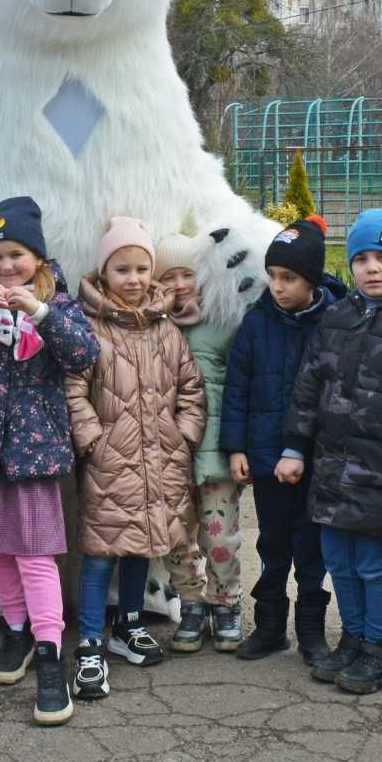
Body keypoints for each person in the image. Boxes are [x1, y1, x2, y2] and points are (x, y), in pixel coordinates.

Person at [0, 196, 101, 726]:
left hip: (33, 453)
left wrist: (37, 311)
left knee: (34, 555)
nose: (7, 266)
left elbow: (82, 354)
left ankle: (51, 654)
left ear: (37, 256)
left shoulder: (61, 304)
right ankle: (16, 632)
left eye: (17, 254)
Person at [280, 208, 382, 695]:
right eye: (362, 258)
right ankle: (353, 639)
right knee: (339, 559)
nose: (372, 268)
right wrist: (295, 446)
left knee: (375, 563)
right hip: (333, 466)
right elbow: (308, 386)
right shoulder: (337, 317)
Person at [66, 217, 207, 699]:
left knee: (141, 546)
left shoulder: (166, 329)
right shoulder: (88, 328)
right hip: (110, 460)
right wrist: (93, 441)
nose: (133, 279)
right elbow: (74, 390)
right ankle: (89, 640)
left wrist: (182, 436)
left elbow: (190, 388)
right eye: (121, 268)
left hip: (161, 457)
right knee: (102, 551)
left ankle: (128, 623)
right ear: (104, 273)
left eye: (141, 268)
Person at [220, 215, 346, 664]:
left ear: (311, 279)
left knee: (311, 547)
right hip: (267, 455)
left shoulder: (334, 323)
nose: (277, 286)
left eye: (288, 278)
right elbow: (237, 387)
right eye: (273, 276)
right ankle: (270, 625)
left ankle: (311, 630)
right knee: (272, 543)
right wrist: (236, 447)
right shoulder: (257, 324)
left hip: (316, 461)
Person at [154, 230, 244, 654]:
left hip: (216, 452)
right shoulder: (154, 325)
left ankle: (225, 603)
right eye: (167, 276)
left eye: (186, 274)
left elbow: (241, 387)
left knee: (219, 535)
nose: (178, 285)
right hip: (169, 454)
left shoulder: (223, 324)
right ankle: (190, 603)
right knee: (176, 536)